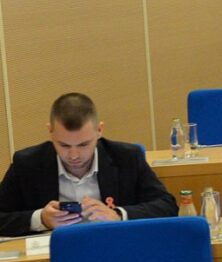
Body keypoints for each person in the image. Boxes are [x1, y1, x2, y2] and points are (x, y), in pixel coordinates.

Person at [0, 93, 177, 237]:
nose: (74, 155)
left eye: (83, 144)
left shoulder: (127, 157)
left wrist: (117, 215)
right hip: (54, 254)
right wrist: (41, 219)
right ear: (50, 132)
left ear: (99, 130)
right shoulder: (27, 164)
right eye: (64, 145)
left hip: (114, 248)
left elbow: (167, 205)